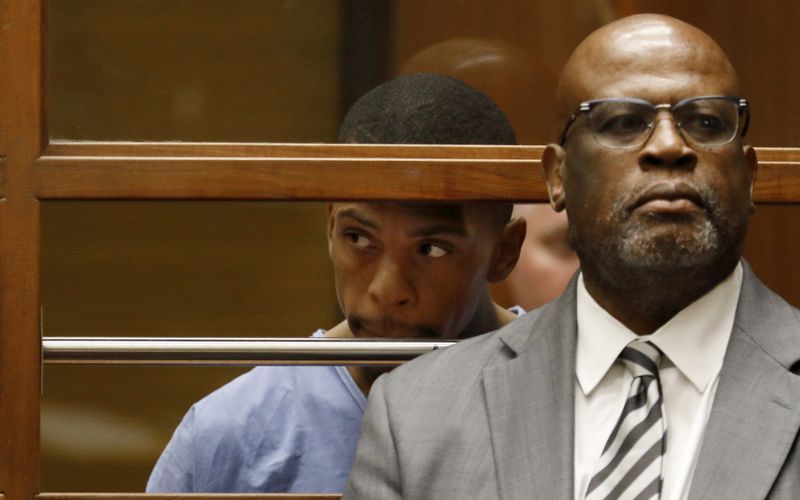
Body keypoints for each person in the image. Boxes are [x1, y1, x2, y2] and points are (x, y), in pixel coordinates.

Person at [344, 14, 800, 500]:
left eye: (706, 122)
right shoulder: (417, 414)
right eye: (623, 122)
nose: (670, 145)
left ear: (749, 177)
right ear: (556, 179)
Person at [146, 73, 527, 493]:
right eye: (359, 239)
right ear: (330, 225)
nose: (386, 289)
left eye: (431, 249)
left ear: (504, 252)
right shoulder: (232, 435)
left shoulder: (568, 402)